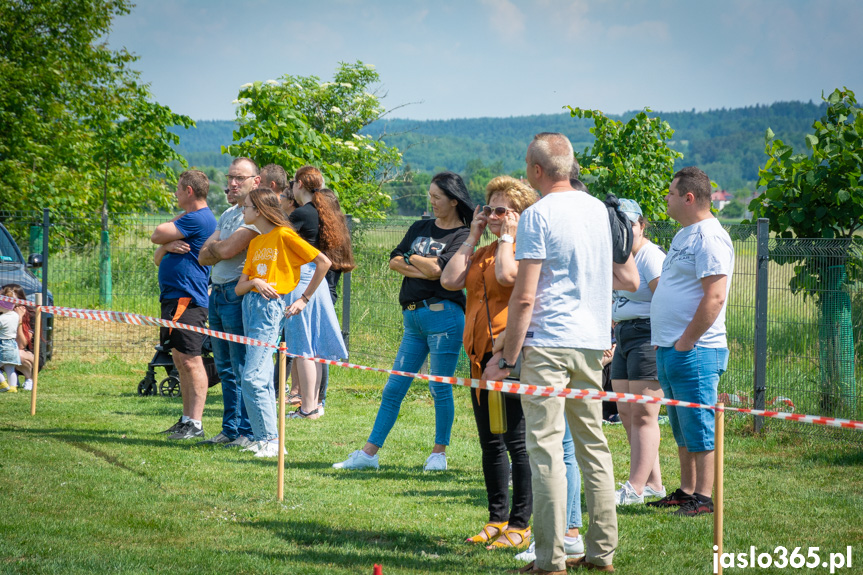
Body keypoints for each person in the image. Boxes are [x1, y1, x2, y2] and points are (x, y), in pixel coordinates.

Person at [483, 133, 637, 574]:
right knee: (593, 445)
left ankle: (550, 559)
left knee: (546, 450)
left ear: (535, 171)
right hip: (591, 343)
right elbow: (617, 275)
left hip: (547, 344)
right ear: (569, 166)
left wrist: (507, 357)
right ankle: (602, 552)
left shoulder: (538, 215)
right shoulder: (600, 211)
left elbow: (525, 296)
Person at [333, 171, 473, 472]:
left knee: (439, 387)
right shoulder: (419, 226)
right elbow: (394, 259)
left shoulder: (462, 236)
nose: (431, 201)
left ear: (453, 200)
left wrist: (416, 262)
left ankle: (439, 454)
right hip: (412, 319)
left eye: (437, 197)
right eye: (430, 196)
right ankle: (369, 454)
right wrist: (423, 266)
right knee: (394, 386)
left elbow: (440, 271)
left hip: (444, 318)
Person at [440, 176, 538, 550]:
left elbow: (506, 276)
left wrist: (509, 237)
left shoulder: (521, 251)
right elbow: (450, 280)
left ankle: (520, 522)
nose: (493, 215)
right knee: (490, 443)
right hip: (478, 359)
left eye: (501, 210)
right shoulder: (483, 250)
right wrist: (473, 234)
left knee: (517, 442)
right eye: (490, 209)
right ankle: (497, 518)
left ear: (520, 215)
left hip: (508, 358)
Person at [648, 166, 733, 516]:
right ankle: (686, 490)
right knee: (682, 426)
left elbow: (714, 297)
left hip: (695, 349)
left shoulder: (710, 237)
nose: (665, 198)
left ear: (689, 197)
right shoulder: (684, 234)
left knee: (699, 425)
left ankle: (704, 497)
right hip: (671, 347)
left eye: (670, 193)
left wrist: (685, 342)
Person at [234, 187, 331, 458]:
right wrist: (254, 281)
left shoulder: (285, 235)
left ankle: (271, 440)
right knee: (259, 376)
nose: (243, 211)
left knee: (252, 377)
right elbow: (239, 288)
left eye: (247, 207)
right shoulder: (255, 243)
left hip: (269, 309)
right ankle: (262, 438)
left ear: (261, 210)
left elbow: (323, 262)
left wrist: (304, 299)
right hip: (250, 306)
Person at [196, 157, 261, 447]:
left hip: (237, 293)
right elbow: (203, 253)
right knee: (224, 368)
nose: (232, 184)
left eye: (240, 179)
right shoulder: (229, 213)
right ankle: (230, 429)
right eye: (230, 178)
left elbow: (228, 248)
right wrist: (218, 249)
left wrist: (218, 248)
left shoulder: (256, 216)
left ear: (255, 182)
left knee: (241, 366)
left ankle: (247, 431)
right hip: (217, 292)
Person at [151, 170, 217, 440]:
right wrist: (168, 248)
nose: (174, 193)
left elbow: (157, 234)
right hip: (174, 298)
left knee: (192, 360)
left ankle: (196, 424)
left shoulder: (198, 218)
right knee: (180, 358)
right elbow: (158, 255)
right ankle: (186, 418)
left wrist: (164, 243)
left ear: (189, 191)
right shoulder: (190, 219)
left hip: (188, 300)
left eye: (178, 189)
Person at [610, 199, 668, 505]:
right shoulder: (618, 256)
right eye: (618, 226)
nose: (624, 231)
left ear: (641, 225)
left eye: (630, 225)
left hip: (646, 335)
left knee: (645, 414)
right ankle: (654, 485)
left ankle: (634, 487)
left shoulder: (649, 256)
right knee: (626, 413)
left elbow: (666, 297)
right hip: (623, 334)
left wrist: (661, 336)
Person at [283, 167, 349, 419]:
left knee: (303, 349)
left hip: (304, 281)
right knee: (315, 349)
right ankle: (315, 405)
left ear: (299, 184)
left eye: (292, 183)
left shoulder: (301, 213)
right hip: (318, 282)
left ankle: (308, 408)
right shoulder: (324, 211)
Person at [310, 188, 356, 414]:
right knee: (319, 348)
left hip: (324, 291)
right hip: (329, 290)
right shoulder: (338, 229)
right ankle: (316, 398)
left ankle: (320, 399)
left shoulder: (327, 233)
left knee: (321, 349)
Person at [0, 284, 34, 392]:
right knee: (10, 365)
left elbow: (21, 344)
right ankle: (13, 384)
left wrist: (19, 320)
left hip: (26, 354)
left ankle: (29, 379)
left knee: (18, 353)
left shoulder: (30, 315)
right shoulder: (4, 315)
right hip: (7, 349)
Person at [0, 299, 22, 393]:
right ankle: (13, 387)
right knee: (10, 368)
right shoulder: (15, 316)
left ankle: (3, 384)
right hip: (13, 344)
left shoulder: (2, 318)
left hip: (2, 344)